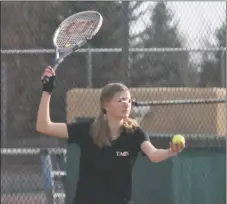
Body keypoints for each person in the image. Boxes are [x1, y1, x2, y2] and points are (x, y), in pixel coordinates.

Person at [36, 66, 185, 204]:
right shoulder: (87, 130)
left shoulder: (135, 134)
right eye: (120, 100)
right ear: (106, 105)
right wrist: (47, 90)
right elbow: (44, 126)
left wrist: (170, 152)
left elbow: (154, 154)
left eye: (129, 100)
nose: (126, 104)